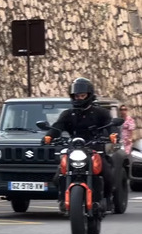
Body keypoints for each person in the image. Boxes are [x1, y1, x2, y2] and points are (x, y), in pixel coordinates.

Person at [41, 77, 115, 210]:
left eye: (82, 95)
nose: (79, 98)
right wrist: (49, 136)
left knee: (108, 174)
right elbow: (57, 127)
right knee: (58, 177)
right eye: (76, 96)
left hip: (94, 148)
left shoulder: (101, 113)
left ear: (89, 95)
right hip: (74, 149)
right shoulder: (68, 114)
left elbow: (110, 126)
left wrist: (112, 135)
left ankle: (107, 198)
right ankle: (63, 199)